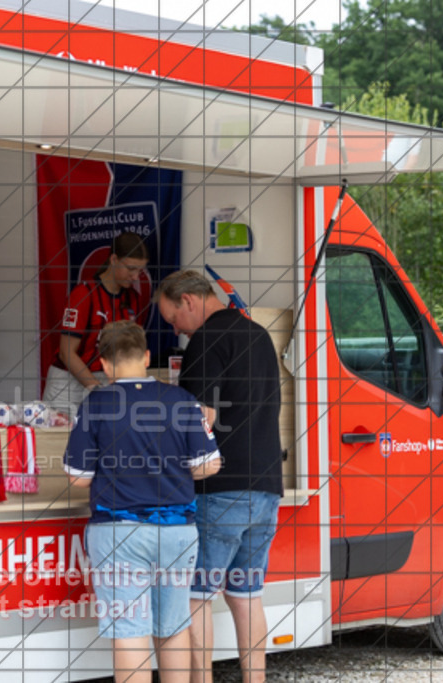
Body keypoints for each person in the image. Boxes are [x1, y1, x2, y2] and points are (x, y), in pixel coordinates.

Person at [64, 320, 221, 683]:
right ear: (147, 357)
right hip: (177, 533)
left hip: (119, 533)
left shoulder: (96, 404)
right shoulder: (182, 400)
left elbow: (78, 477)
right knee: (173, 626)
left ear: (104, 364)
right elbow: (209, 465)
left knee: (130, 630)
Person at [154, 270, 283, 683]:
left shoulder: (206, 340)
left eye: (173, 318)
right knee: (247, 596)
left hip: (221, 490)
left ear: (189, 301)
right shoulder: (258, 334)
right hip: (266, 487)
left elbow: (200, 421)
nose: (176, 329)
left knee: (197, 597)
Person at [44, 232, 150, 415]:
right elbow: (66, 353)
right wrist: (96, 389)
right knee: (62, 433)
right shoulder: (83, 294)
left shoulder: (133, 299)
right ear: (114, 259)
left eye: (139, 271)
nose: (135, 276)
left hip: (108, 380)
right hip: (69, 383)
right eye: (131, 268)